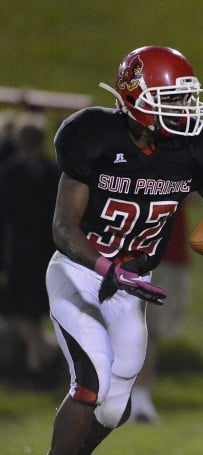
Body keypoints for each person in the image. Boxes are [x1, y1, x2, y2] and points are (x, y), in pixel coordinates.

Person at [45, 45, 203, 455]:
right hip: (80, 272)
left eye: (186, 98)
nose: (184, 108)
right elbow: (64, 229)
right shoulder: (94, 137)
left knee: (114, 408)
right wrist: (107, 268)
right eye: (172, 99)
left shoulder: (190, 149)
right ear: (135, 97)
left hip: (133, 284)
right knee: (90, 382)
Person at [0, 111, 62, 387]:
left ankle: (41, 355)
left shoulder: (12, 172)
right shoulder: (50, 172)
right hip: (41, 252)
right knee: (28, 311)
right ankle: (37, 361)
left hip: (23, 252)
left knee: (19, 309)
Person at [130, 202, 191, 424]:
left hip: (159, 247)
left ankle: (138, 397)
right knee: (135, 327)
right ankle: (130, 397)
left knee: (148, 328)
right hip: (128, 247)